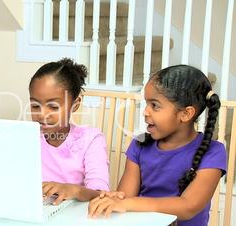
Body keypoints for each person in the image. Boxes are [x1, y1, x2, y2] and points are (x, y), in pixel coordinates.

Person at [88, 65, 227, 226]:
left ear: (186, 114)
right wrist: (116, 201)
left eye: (155, 105)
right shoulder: (139, 144)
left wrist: (128, 203)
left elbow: (188, 206)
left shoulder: (213, 152)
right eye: (146, 104)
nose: (145, 112)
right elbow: (124, 196)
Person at [29, 58, 109, 205]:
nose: (42, 114)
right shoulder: (26, 137)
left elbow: (101, 194)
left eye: (53, 106)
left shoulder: (91, 139)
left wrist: (74, 190)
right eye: (35, 105)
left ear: (75, 105)